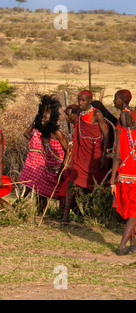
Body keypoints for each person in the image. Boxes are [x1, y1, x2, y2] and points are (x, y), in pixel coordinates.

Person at [61, 90, 109, 224]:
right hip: (81, 155)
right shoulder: (80, 114)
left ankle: (90, 216)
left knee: (90, 188)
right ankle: (65, 217)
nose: (80, 103)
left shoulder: (96, 114)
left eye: (83, 100)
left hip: (94, 156)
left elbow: (105, 134)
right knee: (71, 183)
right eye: (79, 100)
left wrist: (104, 155)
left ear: (89, 100)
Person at [110, 110, 136, 255]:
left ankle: (133, 244)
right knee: (134, 213)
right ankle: (121, 246)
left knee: (132, 210)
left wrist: (112, 180)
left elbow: (117, 158)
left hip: (122, 178)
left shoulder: (121, 133)